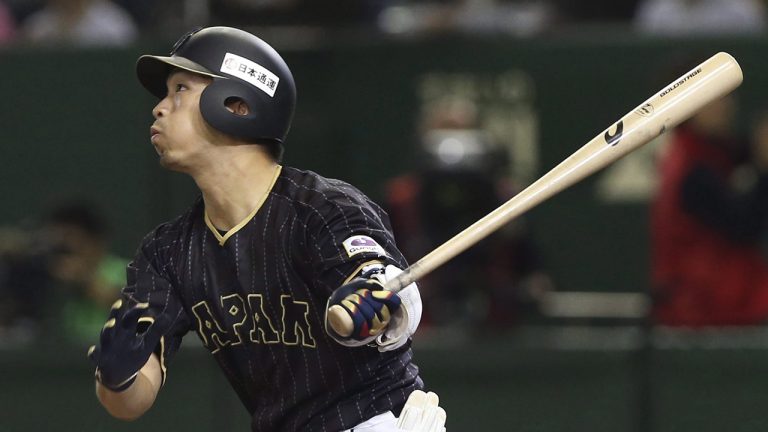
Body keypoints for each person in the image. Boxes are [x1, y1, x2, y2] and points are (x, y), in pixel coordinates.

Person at [86, 26, 446, 432]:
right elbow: (131, 403)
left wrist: (374, 301)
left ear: (237, 104)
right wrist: (118, 376)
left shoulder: (321, 206)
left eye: (181, 89)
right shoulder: (168, 250)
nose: (160, 108)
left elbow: (389, 286)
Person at [651, 92, 768, 326]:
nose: (728, 107)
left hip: (723, 307)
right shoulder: (690, 169)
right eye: (718, 99)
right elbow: (741, 226)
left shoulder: (706, 153)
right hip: (703, 315)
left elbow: (742, 152)